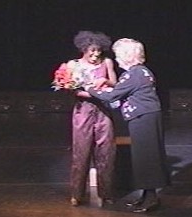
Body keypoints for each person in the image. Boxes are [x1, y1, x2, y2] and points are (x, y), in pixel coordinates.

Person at [85, 38, 170, 213]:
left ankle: (151, 199)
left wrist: (89, 88)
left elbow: (112, 96)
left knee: (146, 157)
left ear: (126, 56)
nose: (116, 60)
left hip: (144, 117)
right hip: (145, 116)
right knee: (144, 156)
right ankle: (147, 195)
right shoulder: (139, 72)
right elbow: (121, 90)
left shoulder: (135, 74)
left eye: (118, 55)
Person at [65, 31, 117, 207]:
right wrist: (92, 93)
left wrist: (105, 82)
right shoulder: (73, 65)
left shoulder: (107, 62)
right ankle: (77, 193)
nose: (96, 54)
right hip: (83, 111)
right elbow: (72, 89)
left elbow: (115, 84)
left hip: (103, 111)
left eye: (99, 51)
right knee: (81, 152)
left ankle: (106, 193)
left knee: (106, 152)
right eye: (92, 51)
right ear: (83, 49)